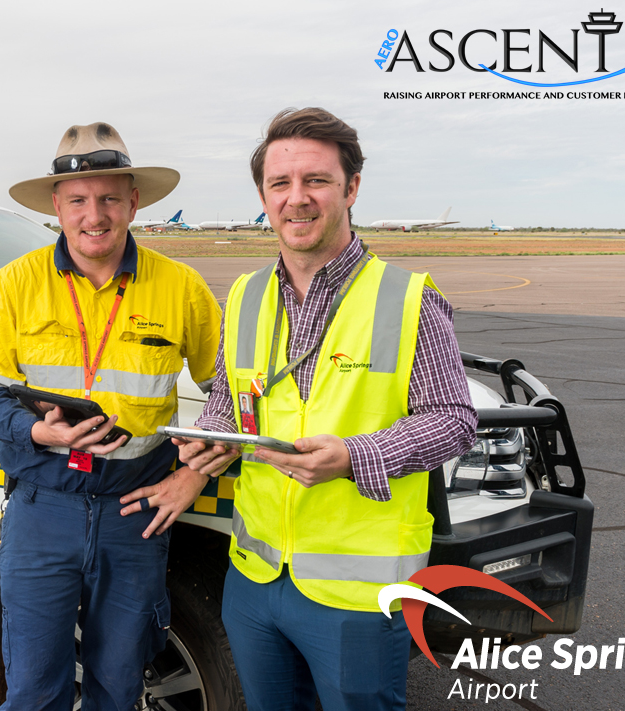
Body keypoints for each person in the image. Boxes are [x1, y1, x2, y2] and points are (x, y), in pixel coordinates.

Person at [175, 107, 477, 710]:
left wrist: (355, 456)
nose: (297, 199)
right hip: (255, 577)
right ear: (263, 196)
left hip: (358, 594)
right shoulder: (245, 293)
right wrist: (209, 438)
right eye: (280, 184)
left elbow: (453, 419)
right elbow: (234, 402)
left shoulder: (408, 297)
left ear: (352, 188)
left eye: (316, 181)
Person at [0, 122, 221, 711]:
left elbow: (234, 400)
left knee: (118, 688)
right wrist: (38, 430)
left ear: (133, 202)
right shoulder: (16, 283)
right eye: (78, 200)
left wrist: (194, 475)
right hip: (41, 509)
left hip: (135, 516)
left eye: (109, 198)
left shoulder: (180, 287)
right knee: (33, 692)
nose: (94, 215)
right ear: (57, 206)